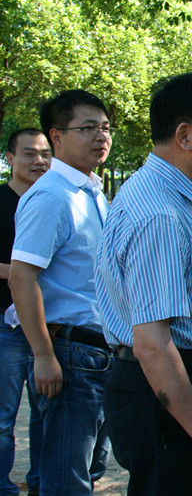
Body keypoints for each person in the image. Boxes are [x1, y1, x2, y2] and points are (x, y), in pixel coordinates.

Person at [95, 73, 192, 495]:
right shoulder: (159, 213)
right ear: (185, 136)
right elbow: (153, 346)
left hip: (167, 385)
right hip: (163, 388)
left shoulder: (169, 193)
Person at [9, 90, 113, 495]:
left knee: (90, 467)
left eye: (105, 128)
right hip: (69, 354)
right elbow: (22, 278)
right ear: (57, 135)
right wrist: (42, 355)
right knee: (65, 475)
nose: (100, 137)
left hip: (99, 350)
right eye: (87, 128)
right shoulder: (51, 196)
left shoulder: (91, 191)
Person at [1, 129, 50, 496]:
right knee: (3, 418)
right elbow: (24, 270)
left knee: (45, 414)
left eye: (45, 154)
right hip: (5, 326)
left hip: (48, 326)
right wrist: (23, 271)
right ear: (10, 158)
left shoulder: (51, 200)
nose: (39, 161)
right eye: (30, 154)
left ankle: (39, 484)